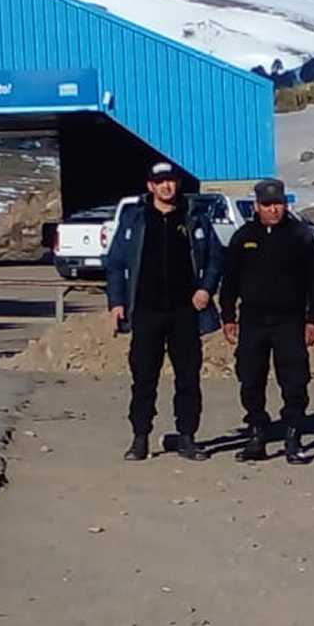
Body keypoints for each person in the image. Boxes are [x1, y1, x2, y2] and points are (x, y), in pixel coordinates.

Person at [104, 162, 225, 462]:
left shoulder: (195, 217)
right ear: (150, 186)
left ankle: (187, 438)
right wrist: (116, 302)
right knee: (144, 377)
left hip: (185, 311)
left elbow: (215, 258)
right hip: (146, 311)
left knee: (188, 377)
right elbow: (115, 263)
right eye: (160, 182)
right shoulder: (136, 219)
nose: (166, 187)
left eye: (170, 181)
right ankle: (140, 438)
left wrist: (205, 289)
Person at [219, 178, 314, 465]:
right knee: (250, 378)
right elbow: (229, 281)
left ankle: (293, 437)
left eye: (278, 204)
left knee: (294, 380)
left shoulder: (300, 236)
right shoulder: (243, 237)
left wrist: (313, 318)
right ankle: (256, 434)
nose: (273, 210)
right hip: (253, 321)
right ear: (256, 206)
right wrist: (228, 316)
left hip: (289, 321)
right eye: (267, 205)